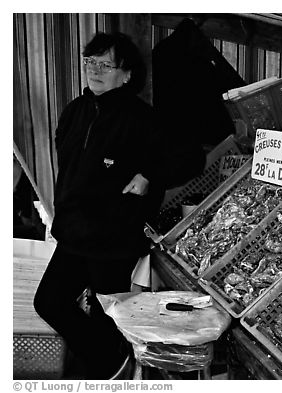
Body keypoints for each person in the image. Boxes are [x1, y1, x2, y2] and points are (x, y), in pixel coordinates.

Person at [32, 32, 201, 379]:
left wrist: (149, 175)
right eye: (90, 61)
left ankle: (115, 372)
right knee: (49, 302)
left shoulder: (142, 118)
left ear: (127, 75)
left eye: (105, 65)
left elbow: (191, 159)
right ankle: (116, 365)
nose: (95, 70)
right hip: (74, 233)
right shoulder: (75, 111)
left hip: (113, 238)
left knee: (108, 314)